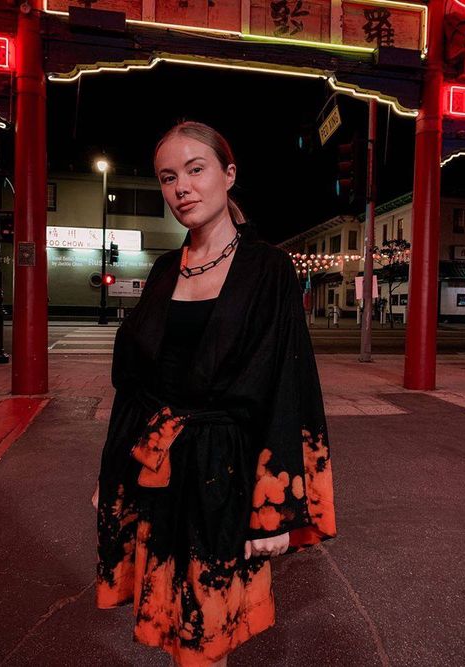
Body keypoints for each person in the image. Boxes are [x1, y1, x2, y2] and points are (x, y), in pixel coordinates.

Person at [92, 121, 337, 667]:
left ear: (228, 175)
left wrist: (275, 507)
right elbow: (133, 383)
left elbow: (287, 386)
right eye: (168, 177)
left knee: (206, 634)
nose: (181, 187)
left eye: (195, 170)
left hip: (225, 476)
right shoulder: (163, 270)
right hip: (156, 472)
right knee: (169, 622)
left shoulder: (268, 268)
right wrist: (110, 472)